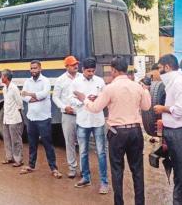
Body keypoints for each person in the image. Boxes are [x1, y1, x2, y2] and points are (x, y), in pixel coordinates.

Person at [83, 56, 151, 205]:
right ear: (126, 69)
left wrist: (85, 100)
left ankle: (119, 202)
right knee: (137, 170)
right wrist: (145, 91)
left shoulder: (110, 88)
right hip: (135, 131)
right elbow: (146, 107)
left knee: (117, 170)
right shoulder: (137, 86)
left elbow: (95, 108)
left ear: (113, 70)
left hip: (117, 133)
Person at [153, 54, 182, 205]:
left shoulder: (179, 83)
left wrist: (163, 109)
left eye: (160, 68)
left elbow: (181, 110)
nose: (158, 72)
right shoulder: (173, 82)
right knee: (179, 176)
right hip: (175, 133)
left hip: (181, 135)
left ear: (167, 67)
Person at [71, 57, 109, 194]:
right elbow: (72, 100)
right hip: (82, 121)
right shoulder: (75, 82)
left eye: (93, 71)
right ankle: (86, 178)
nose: (91, 73)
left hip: (98, 121)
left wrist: (96, 99)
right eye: (88, 71)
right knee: (83, 151)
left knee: (101, 152)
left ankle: (104, 182)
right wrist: (84, 100)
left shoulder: (100, 81)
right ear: (83, 70)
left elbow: (105, 99)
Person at [19, 60, 62, 179]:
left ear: (40, 69)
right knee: (32, 143)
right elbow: (24, 95)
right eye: (31, 68)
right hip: (31, 117)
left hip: (44, 118)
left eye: (35, 68)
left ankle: (54, 168)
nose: (33, 70)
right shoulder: (27, 81)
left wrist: (30, 94)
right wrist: (32, 97)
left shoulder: (46, 81)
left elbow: (44, 94)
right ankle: (31, 165)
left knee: (48, 143)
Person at [52, 55, 81, 178]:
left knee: (83, 142)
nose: (76, 66)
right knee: (69, 142)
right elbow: (55, 97)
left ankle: (84, 169)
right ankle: (72, 168)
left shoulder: (81, 78)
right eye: (73, 64)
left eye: (76, 64)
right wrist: (64, 107)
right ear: (67, 67)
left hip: (81, 115)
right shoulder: (61, 80)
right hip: (68, 115)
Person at [1, 69, 24, 167]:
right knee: (6, 139)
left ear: (6, 77)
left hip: (14, 118)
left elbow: (20, 103)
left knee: (16, 140)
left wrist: (16, 112)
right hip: (6, 118)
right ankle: (9, 157)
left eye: (2, 76)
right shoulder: (4, 89)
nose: (1, 78)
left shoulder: (14, 88)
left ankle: (18, 160)